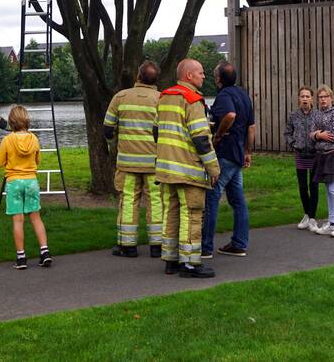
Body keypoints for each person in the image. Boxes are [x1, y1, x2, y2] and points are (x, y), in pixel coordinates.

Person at [155, 58, 221, 278]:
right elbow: (201, 138)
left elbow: (157, 132)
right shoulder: (192, 100)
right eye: (201, 73)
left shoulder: (164, 97)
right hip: (188, 170)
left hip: (166, 170)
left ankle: (170, 260)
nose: (204, 76)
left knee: (170, 215)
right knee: (192, 215)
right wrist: (213, 168)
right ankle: (191, 263)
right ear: (189, 76)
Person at [103, 60, 162, 258]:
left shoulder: (121, 97)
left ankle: (127, 246)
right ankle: (158, 245)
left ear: (138, 75)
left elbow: (107, 129)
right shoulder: (162, 99)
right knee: (156, 201)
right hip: (154, 163)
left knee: (128, 201)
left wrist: (114, 142)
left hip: (127, 163)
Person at [201, 61, 256, 259]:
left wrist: (217, 135)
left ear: (218, 79)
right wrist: (247, 151)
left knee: (212, 198)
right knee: (238, 200)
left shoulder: (224, 96)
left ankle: (205, 247)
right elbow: (251, 127)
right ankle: (239, 243)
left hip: (225, 153)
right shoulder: (243, 95)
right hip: (238, 154)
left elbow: (230, 115)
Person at [0, 105, 52, 269]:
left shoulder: (7, 140)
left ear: (12, 121)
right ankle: (45, 252)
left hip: (14, 182)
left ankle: (21, 258)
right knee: (36, 218)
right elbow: (38, 161)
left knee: (18, 220)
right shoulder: (34, 138)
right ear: (26, 119)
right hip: (31, 181)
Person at [310, 84, 334, 238]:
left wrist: (318, 136)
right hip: (321, 156)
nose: (323, 100)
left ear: (331, 98)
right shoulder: (317, 114)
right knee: (328, 190)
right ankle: (331, 223)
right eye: (320, 97)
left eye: (325, 97)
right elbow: (311, 135)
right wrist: (319, 135)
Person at [283, 85, 320, 232]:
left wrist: (318, 144)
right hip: (300, 155)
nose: (304, 99)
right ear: (299, 98)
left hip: (314, 155)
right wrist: (294, 144)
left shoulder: (318, 115)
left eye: (307, 96)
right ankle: (306, 215)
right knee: (303, 187)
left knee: (313, 186)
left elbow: (323, 131)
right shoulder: (293, 116)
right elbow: (287, 133)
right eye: (302, 96)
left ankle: (312, 218)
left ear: (312, 98)